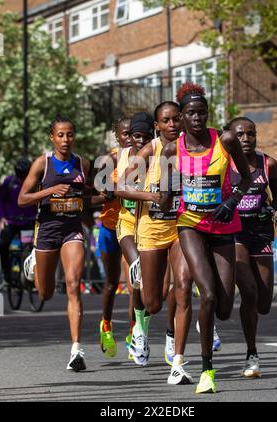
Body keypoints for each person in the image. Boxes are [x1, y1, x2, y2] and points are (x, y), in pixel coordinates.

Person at [159, 82, 252, 394]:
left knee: (224, 307)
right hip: (191, 225)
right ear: (182, 117)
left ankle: (208, 314)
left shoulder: (225, 140)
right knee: (208, 294)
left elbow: (247, 178)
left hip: (224, 225)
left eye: (202, 113)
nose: (197, 118)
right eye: (191, 113)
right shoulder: (172, 150)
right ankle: (206, 370)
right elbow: (166, 193)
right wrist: (153, 196)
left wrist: (231, 201)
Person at [116, 102, 194, 384]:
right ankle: (142, 325)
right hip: (152, 228)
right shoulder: (150, 150)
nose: (172, 124)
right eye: (166, 120)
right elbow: (121, 187)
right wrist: (150, 197)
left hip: (183, 226)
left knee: (183, 286)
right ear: (157, 126)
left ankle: (178, 360)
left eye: (176, 119)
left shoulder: (193, 146)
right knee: (154, 301)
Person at [18, 115, 90, 372]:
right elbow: (23, 199)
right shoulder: (43, 163)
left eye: (70, 134)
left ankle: (76, 349)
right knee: (45, 293)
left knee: (73, 284)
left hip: (72, 229)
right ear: (52, 137)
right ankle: (33, 263)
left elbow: (88, 196)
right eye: (60, 135)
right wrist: (50, 190)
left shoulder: (82, 163)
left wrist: (96, 196)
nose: (66, 139)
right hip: (47, 230)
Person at [226, 116, 277, 377]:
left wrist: (270, 208)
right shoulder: (223, 166)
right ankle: (252, 354)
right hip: (234, 234)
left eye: (251, 134)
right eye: (240, 135)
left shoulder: (268, 163)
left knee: (263, 304)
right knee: (248, 292)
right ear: (230, 138)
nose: (246, 139)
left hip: (260, 235)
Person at [115, 111, 156, 366]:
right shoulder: (116, 158)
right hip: (127, 222)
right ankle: (138, 333)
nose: (140, 140)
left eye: (145, 136)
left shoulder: (160, 156)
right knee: (137, 270)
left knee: (153, 288)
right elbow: (109, 188)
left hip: (151, 224)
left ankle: (141, 329)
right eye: (135, 135)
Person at [94, 118, 134, 358]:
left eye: (133, 133)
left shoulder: (146, 158)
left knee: (134, 283)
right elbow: (95, 195)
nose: (129, 138)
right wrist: (108, 193)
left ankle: (134, 333)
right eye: (125, 134)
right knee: (111, 282)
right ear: (117, 137)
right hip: (110, 226)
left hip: (132, 228)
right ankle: (106, 325)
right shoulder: (109, 160)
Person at [0, 158, 37, 285]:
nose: (22, 180)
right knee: (3, 244)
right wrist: (2, 218)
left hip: (28, 222)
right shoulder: (9, 182)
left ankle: (30, 276)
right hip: (11, 222)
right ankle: (7, 273)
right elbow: (0, 201)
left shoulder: (35, 183)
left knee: (33, 247)